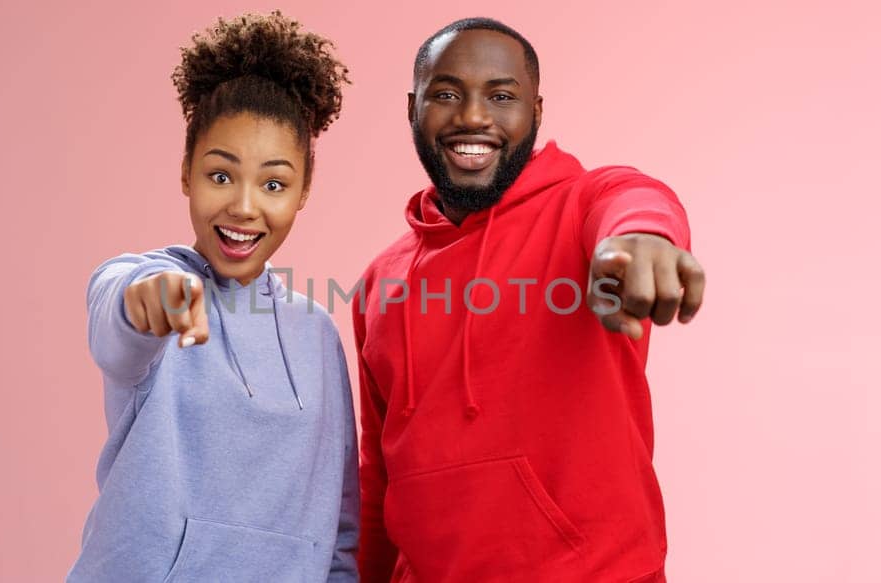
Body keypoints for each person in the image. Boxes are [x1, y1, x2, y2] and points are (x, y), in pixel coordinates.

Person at [352, 17, 707, 582]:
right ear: (412, 107)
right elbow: (378, 481)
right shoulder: (377, 283)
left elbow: (634, 197)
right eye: (446, 94)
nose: (472, 116)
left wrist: (642, 239)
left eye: (501, 96)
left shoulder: (581, 206)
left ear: (536, 112)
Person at [68, 12, 357, 583]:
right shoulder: (152, 280)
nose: (244, 207)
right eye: (221, 176)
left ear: (304, 192)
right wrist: (146, 303)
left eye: (273, 183)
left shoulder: (318, 334)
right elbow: (115, 322)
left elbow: (340, 527)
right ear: (186, 173)